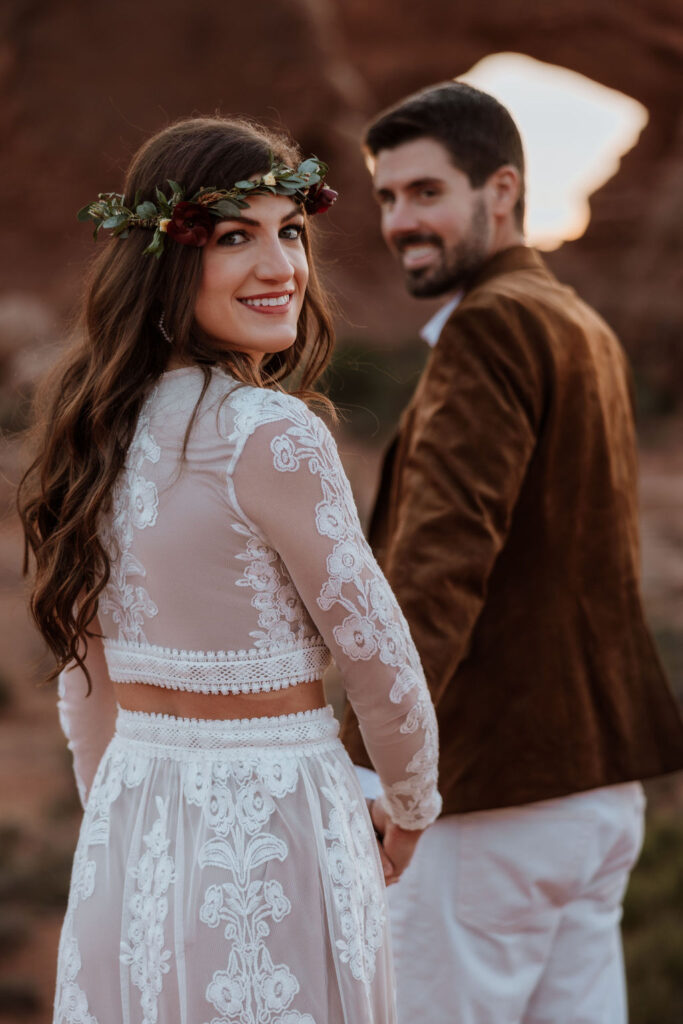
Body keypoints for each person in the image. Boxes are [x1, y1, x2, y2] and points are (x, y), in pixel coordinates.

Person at [18, 116, 441, 1024]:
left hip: (133, 816)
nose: (281, 265)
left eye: (290, 231)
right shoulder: (271, 432)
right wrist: (409, 801)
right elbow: (374, 650)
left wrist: (121, 816)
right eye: (234, 238)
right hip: (274, 817)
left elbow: (86, 677)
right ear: (166, 261)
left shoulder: (94, 431)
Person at [341, 82, 683, 1024]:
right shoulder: (575, 323)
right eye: (386, 198)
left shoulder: (490, 327)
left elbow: (441, 561)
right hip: (596, 796)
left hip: (493, 797)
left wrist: (378, 764)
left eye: (424, 193)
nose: (400, 222)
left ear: (500, 190)